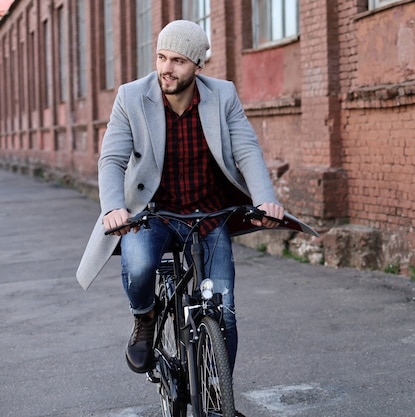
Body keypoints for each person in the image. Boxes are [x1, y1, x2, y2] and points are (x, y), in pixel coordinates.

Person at [76, 20, 306, 376]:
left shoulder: (223, 95)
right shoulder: (131, 96)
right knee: (138, 270)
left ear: (198, 66)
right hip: (150, 214)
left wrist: (264, 199)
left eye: (178, 61)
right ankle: (145, 317)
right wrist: (113, 208)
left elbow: (247, 148)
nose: (166, 69)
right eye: (161, 57)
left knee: (223, 310)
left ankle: (217, 397)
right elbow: (112, 159)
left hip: (208, 214)